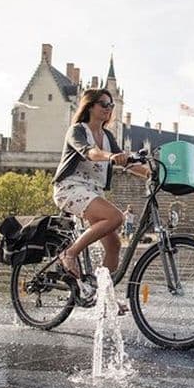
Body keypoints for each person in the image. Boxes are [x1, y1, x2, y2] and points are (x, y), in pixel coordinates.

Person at [51, 88, 148, 307]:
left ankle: (105, 298)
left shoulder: (108, 136)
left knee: (114, 244)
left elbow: (129, 163)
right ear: (90, 106)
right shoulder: (76, 130)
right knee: (115, 218)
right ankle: (70, 252)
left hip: (92, 192)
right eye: (104, 104)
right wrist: (111, 156)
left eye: (111, 105)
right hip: (70, 188)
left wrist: (153, 173)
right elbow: (89, 152)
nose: (109, 109)